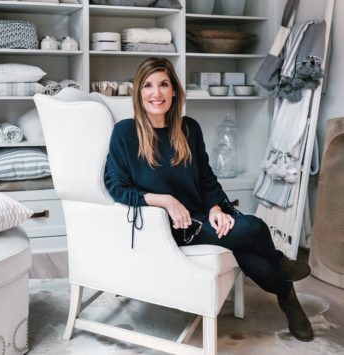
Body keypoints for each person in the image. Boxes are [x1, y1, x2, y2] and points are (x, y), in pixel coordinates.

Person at [104, 57, 314, 342]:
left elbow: (206, 179)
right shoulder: (125, 133)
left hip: (201, 218)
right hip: (169, 228)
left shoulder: (188, 128)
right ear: (139, 92)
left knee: (249, 254)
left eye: (164, 84)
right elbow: (115, 186)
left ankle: (287, 296)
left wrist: (216, 208)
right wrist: (164, 200)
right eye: (148, 86)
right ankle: (281, 272)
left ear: (174, 90)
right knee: (252, 228)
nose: (156, 93)